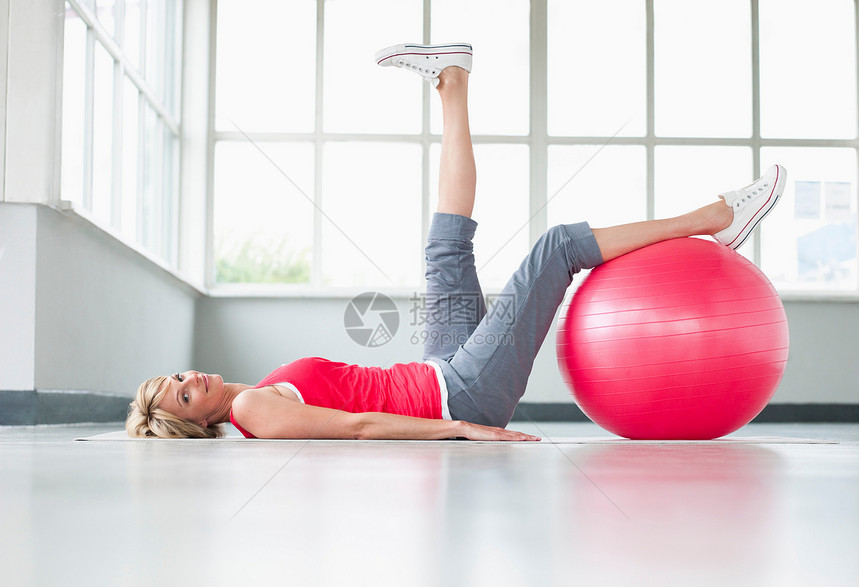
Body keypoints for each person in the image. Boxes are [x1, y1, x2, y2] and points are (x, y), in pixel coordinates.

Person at [126, 42, 787, 441]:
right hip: (459, 393)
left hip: (439, 367)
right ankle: (713, 218)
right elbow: (361, 428)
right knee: (556, 247)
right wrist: (459, 427)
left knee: (445, 250)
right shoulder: (250, 409)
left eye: (178, 376)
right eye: (183, 394)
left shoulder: (254, 391)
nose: (192, 379)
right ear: (193, 419)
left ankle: (452, 82)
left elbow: (360, 405)